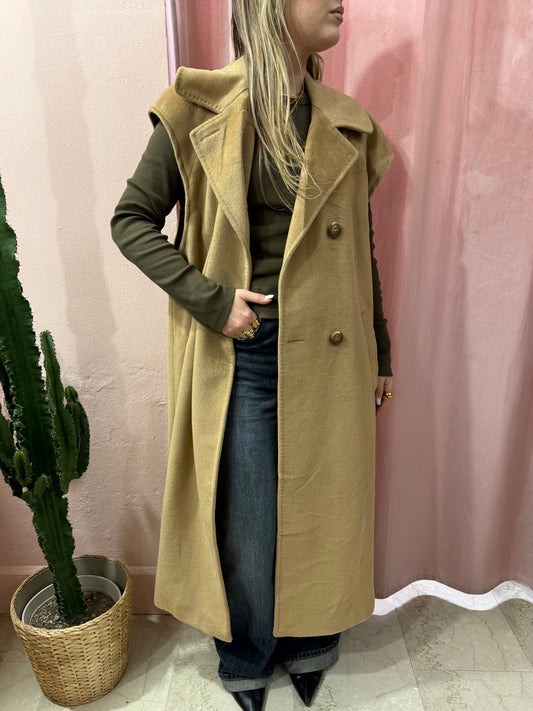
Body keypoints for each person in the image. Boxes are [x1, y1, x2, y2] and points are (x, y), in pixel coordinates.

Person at [111, 1, 394, 709]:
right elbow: (131, 221)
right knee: (247, 521)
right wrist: (213, 302)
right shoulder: (197, 108)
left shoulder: (346, 124)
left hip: (331, 353)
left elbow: (361, 256)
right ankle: (246, 650)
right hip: (247, 350)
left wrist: (381, 352)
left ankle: (310, 640)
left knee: (324, 505)